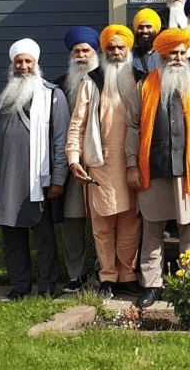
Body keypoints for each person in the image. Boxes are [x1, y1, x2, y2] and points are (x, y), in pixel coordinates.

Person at [126, 28, 190, 308]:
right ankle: (152, 285)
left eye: (181, 53)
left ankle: (189, 284)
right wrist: (132, 164)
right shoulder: (145, 86)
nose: (178, 58)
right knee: (152, 231)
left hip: (189, 172)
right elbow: (133, 127)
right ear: (162, 56)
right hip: (152, 170)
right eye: (172, 54)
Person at [66, 25, 143, 300]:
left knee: (130, 224)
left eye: (121, 47)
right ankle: (107, 277)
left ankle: (128, 275)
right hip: (100, 163)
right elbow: (77, 123)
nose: (116, 52)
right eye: (111, 48)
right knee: (103, 226)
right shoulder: (92, 81)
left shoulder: (141, 80)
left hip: (133, 164)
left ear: (129, 50)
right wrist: (73, 159)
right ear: (104, 50)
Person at [0, 39, 70, 300]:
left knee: (44, 238)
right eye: (19, 61)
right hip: (7, 179)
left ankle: (46, 286)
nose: (23, 66)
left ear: (36, 64)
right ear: (12, 64)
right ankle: (19, 287)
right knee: (12, 237)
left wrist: (58, 179)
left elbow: (61, 140)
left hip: (39, 180)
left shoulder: (53, 95)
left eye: (28, 61)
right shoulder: (4, 97)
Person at [52, 26, 101, 293]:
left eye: (86, 50)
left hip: (102, 162)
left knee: (103, 219)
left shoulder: (106, 81)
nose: (81, 56)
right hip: (71, 164)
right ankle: (76, 274)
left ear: (95, 53)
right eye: (77, 51)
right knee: (72, 220)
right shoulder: (60, 86)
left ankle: (103, 270)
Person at [132, 9, 161, 82]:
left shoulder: (164, 56)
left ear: (155, 29)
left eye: (148, 27)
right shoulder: (129, 57)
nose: (144, 31)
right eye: (140, 27)